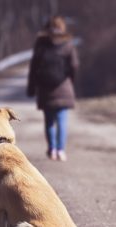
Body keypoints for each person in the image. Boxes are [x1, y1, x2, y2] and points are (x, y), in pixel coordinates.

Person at [27, 16, 79, 161]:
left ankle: (52, 150)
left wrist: (31, 87)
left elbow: (33, 67)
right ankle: (61, 150)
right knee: (62, 121)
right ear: (63, 27)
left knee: (49, 121)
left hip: (45, 89)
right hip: (64, 86)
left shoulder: (41, 43)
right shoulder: (68, 43)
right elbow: (74, 65)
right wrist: (70, 80)